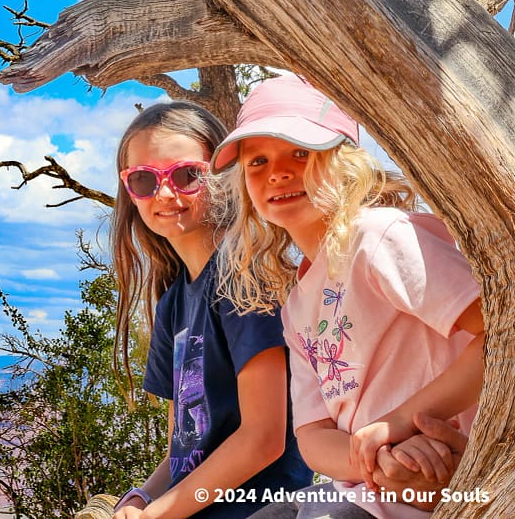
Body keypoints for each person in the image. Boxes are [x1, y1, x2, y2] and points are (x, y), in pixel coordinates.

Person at [210, 74, 484, 518]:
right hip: (368, 486)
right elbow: (314, 436)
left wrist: (395, 427)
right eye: (257, 162)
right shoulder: (299, 302)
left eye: (300, 153)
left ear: (344, 162)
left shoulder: (380, 238)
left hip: (446, 475)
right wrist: (378, 462)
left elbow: (500, 337)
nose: (277, 171)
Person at [110, 101, 311, 518]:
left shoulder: (245, 276)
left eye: (186, 176)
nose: (164, 194)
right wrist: (141, 498)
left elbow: (264, 437)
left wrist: (158, 515)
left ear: (222, 177)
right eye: (144, 180)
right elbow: (181, 452)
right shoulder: (173, 304)